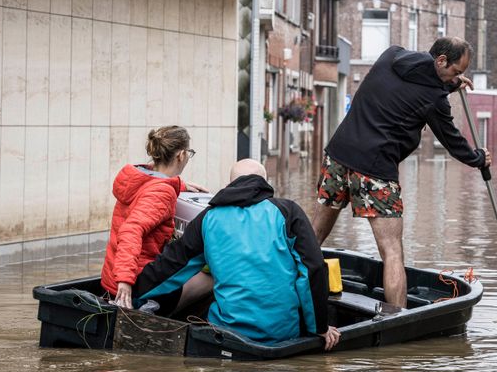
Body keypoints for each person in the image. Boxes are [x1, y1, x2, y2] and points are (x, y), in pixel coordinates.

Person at [312, 37, 491, 309]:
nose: (457, 76)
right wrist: (478, 158)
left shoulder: (390, 56)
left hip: (338, 155)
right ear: (441, 61)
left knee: (314, 235)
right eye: (456, 71)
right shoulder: (434, 99)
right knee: (392, 251)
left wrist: (451, 84)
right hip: (375, 171)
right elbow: (452, 142)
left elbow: (412, 83)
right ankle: (397, 320)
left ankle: (287, 291)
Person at [134, 159, 341, 351]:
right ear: (265, 181)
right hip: (282, 334)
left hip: (226, 333)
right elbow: (313, 268)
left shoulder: (208, 218)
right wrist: (320, 327)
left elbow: (172, 266)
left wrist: (129, 292)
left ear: (230, 183)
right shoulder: (288, 212)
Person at [101, 125, 209, 308]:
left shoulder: (137, 178)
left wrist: (179, 186)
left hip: (110, 278)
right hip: (135, 282)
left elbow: (150, 191)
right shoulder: (162, 192)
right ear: (181, 155)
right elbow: (131, 230)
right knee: (211, 277)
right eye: (189, 153)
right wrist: (126, 281)